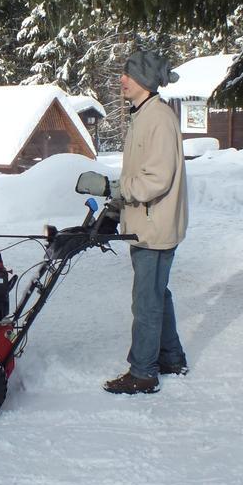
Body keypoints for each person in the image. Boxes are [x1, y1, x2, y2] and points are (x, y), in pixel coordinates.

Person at [103, 50, 189, 395]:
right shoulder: (143, 114)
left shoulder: (158, 119)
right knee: (156, 293)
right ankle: (170, 357)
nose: (121, 79)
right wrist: (115, 207)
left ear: (144, 80)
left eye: (127, 74)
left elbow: (156, 179)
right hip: (145, 222)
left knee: (147, 300)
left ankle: (143, 373)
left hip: (155, 226)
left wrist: (117, 188)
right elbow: (139, 172)